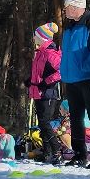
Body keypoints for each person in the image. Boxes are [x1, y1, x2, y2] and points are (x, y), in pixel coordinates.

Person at [58, 0, 90, 167]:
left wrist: (86, 67)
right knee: (76, 118)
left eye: (67, 7)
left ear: (75, 6)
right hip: (71, 79)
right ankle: (79, 153)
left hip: (88, 78)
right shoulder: (70, 26)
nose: (65, 11)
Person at [28, 22, 62, 162]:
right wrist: (30, 80)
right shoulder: (39, 52)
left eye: (36, 36)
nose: (34, 38)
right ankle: (47, 152)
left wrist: (45, 82)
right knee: (42, 123)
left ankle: (56, 148)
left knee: (45, 122)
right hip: (38, 92)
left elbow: (60, 71)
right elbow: (38, 73)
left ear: (43, 37)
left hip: (48, 93)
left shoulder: (50, 53)